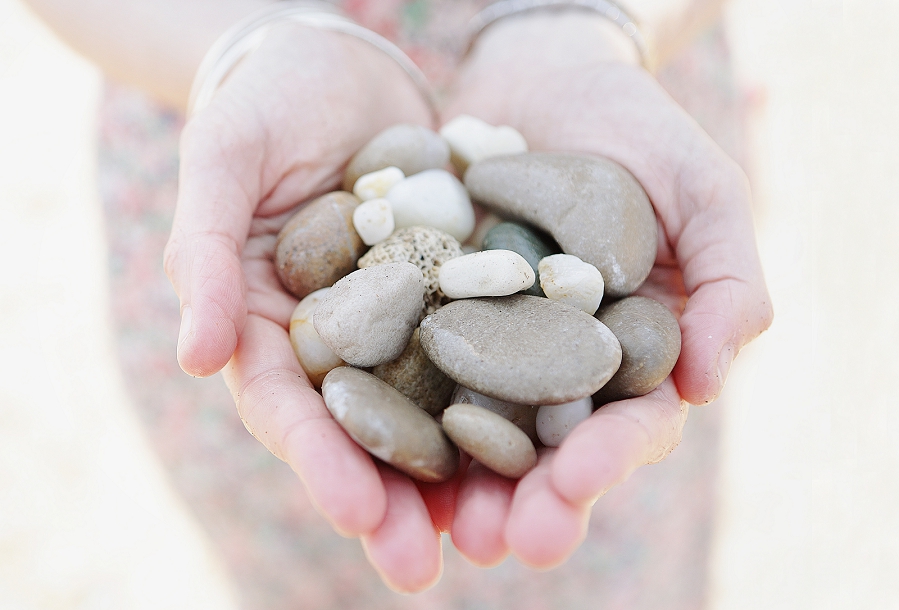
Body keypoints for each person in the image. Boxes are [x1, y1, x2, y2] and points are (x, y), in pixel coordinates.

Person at [25, 0, 772, 601]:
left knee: (602, 549)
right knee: (310, 558)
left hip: (599, 67)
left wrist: (588, 16)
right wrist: (253, 34)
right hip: (224, 101)